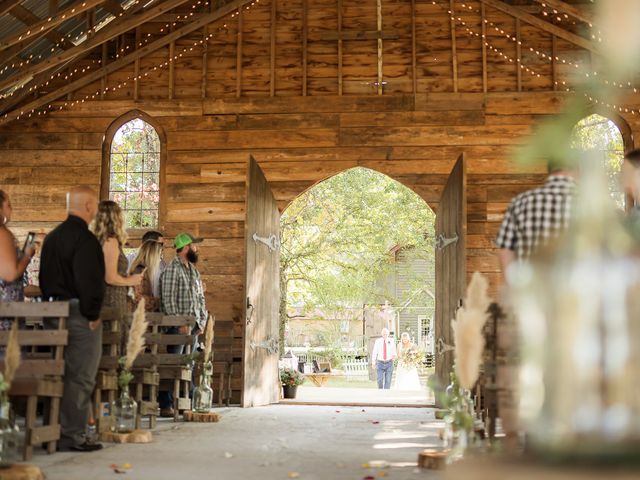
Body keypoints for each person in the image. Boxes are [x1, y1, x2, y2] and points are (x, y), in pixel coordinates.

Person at [39, 186, 105, 452]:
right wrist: (92, 314)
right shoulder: (85, 240)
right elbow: (89, 281)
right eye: (96, 205)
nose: (97, 211)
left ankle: (52, 429)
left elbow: (44, 280)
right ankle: (72, 435)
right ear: (88, 206)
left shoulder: (52, 238)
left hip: (52, 313)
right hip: (79, 315)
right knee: (80, 375)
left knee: (58, 373)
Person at [496, 159, 576, 278]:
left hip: (530, 292)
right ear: (576, 170)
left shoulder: (520, 202)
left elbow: (505, 249)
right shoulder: (593, 205)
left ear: (550, 170)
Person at [158, 232, 208, 417]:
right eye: (194, 246)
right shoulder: (172, 270)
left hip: (193, 326)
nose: (197, 249)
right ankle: (166, 404)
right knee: (175, 364)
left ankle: (185, 402)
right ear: (186, 248)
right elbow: (168, 300)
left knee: (189, 366)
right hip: (178, 327)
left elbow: (200, 298)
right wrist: (179, 323)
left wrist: (201, 321)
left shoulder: (193, 270)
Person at [91, 201, 143, 320]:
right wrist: (130, 280)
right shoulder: (110, 241)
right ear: (116, 218)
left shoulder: (95, 241)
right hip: (111, 299)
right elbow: (110, 277)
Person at [0, 190, 35, 329]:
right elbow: (10, 274)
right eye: (8, 205)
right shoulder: (2, 234)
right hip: (5, 311)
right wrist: (27, 255)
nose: (11, 208)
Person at [126, 230, 165, 297]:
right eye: (160, 244)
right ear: (150, 244)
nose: (163, 248)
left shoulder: (161, 263)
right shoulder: (129, 260)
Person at [128, 239, 163, 312]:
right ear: (152, 255)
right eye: (159, 255)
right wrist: (161, 302)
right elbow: (138, 299)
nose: (160, 259)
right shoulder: (139, 271)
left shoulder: (143, 270)